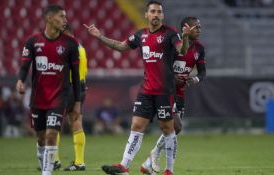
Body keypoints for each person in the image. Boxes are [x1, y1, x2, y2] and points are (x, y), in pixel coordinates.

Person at [83, 1, 194, 175]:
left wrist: (186, 37)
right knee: (136, 125)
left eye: (159, 12)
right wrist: (99, 36)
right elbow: (120, 47)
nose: (156, 14)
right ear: (147, 15)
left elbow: (182, 51)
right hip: (146, 90)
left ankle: (169, 170)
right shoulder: (140, 35)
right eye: (152, 11)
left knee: (168, 129)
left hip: (165, 91)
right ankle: (124, 166)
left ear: (162, 16)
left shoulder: (171, 33)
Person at [16, 4, 81, 175]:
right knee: (41, 137)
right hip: (38, 98)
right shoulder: (33, 41)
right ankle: (43, 162)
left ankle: (47, 173)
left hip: (59, 97)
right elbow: (24, 66)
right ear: (49, 18)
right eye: (61, 16)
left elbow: (76, 75)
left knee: (52, 135)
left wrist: (77, 102)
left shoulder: (71, 43)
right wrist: (20, 81)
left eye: (65, 17)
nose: (65, 20)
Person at [140, 16, 206, 174]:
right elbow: (158, 65)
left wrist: (195, 78)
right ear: (185, 28)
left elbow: (203, 71)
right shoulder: (173, 45)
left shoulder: (199, 48)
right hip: (166, 90)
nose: (199, 30)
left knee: (175, 130)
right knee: (176, 126)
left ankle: (149, 162)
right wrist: (170, 77)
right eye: (196, 27)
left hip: (181, 92)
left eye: (200, 27)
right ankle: (160, 161)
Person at [54, 24, 87, 171]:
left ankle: (54, 160)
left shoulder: (68, 47)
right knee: (76, 121)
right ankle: (79, 162)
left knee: (54, 122)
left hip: (68, 88)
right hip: (80, 87)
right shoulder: (80, 47)